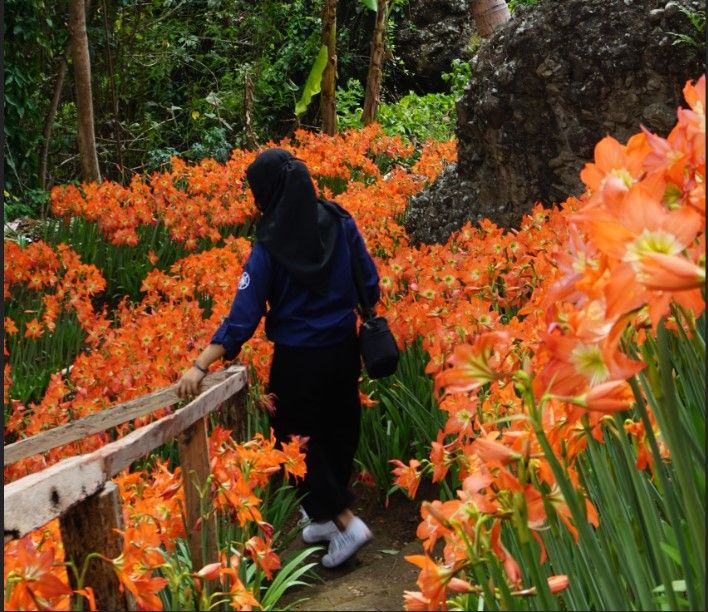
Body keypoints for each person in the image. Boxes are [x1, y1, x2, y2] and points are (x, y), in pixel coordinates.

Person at [177, 148, 380, 568]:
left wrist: (201, 363)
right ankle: (326, 520)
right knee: (337, 433)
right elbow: (370, 283)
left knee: (294, 446)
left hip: (297, 363)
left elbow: (243, 317)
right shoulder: (340, 220)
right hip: (345, 351)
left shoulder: (268, 246)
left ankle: (345, 523)